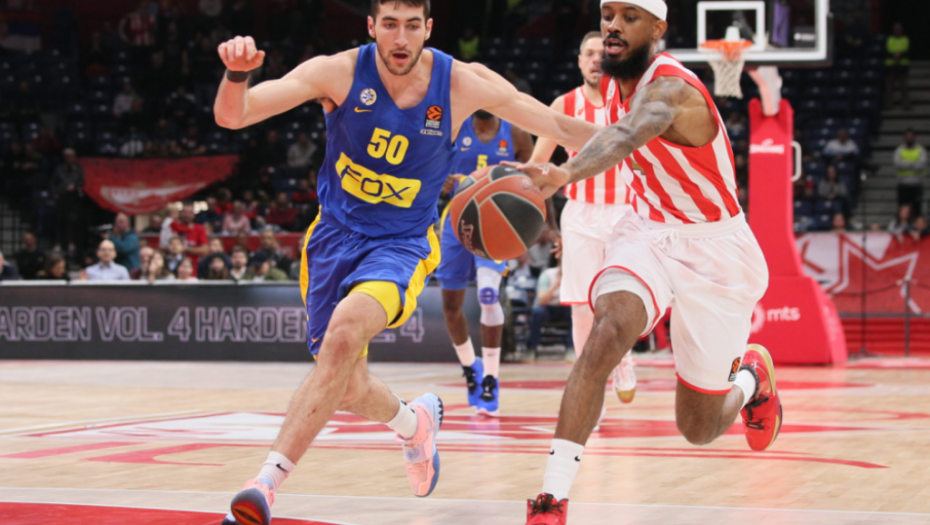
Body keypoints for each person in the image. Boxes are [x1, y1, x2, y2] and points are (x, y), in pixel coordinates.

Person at [212, 1, 598, 522]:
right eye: (390, 25)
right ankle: (414, 424)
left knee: (343, 336)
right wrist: (237, 74)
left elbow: (556, 123)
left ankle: (263, 486)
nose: (400, 38)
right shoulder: (338, 72)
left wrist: (644, 139)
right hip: (332, 238)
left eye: (412, 25)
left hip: (402, 243)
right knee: (346, 384)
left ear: (428, 28)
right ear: (371, 27)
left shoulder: (460, 83)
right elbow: (233, 115)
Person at [512, 3, 779, 522]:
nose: (613, 25)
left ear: (657, 29)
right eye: (608, 14)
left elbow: (625, 135)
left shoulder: (670, 88)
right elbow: (579, 128)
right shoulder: (616, 81)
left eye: (628, 17)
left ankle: (752, 378)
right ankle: (551, 498)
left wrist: (566, 174)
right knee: (606, 332)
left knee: (698, 427)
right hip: (647, 230)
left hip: (714, 247)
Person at [529, 31, 638, 411]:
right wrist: (541, 222)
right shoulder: (565, 104)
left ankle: (623, 358)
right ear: (578, 61)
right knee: (581, 305)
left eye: (600, 53)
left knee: (622, 300)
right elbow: (540, 165)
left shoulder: (631, 101)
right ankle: (590, 389)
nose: (595, 59)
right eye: (588, 53)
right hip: (581, 213)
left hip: (627, 212)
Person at [435, 110, 534, 417]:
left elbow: (535, 181)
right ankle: (470, 368)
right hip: (456, 220)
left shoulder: (515, 133)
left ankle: (491, 378)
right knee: (451, 305)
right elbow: (430, 165)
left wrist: (546, 225)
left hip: (496, 224)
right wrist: (441, 180)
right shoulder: (455, 127)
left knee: (488, 296)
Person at [527, 260, 572, 354]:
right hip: (548, 307)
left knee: (577, 312)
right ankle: (531, 348)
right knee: (538, 312)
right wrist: (556, 285)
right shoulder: (547, 275)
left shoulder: (574, 276)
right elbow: (542, 301)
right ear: (559, 264)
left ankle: (571, 349)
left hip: (564, 307)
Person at [52, 149, 86, 261]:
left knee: (75, 225)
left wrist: (74, 187)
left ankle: (76, 248)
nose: (70, 159)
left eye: (71, 156)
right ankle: (63, 246)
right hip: (62, 201)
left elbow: (82, 182)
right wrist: (59, 191)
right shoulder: (59, 169)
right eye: (67, 157)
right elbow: (53, 183)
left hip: (75, 201)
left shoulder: (78, 169)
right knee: (62, 224)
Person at [894, 130, 927, 216]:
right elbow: (898, 164)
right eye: (907, 137)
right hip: (903, 185)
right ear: (904, 138)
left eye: (911, 137)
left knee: (917, 209)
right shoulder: (899, 150)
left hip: (916, 185)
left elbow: (921, 165)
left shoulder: (921, 150)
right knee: (902, 209)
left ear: (914, 138)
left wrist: (905, 164)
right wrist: (913, 164)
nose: (909, 139)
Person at [885, 22, 910, 109]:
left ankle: (906, 104)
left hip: (902, 66)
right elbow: (886, 51)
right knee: (889, 87)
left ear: (902, 30)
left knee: (904, 87)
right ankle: (888, 104)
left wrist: (900, 55)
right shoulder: (889, 39)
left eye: (899, 29)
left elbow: (907, 51)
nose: (897, 30)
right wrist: (894, 55)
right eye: (896, 29)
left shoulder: (905, 39)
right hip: (891, 66)